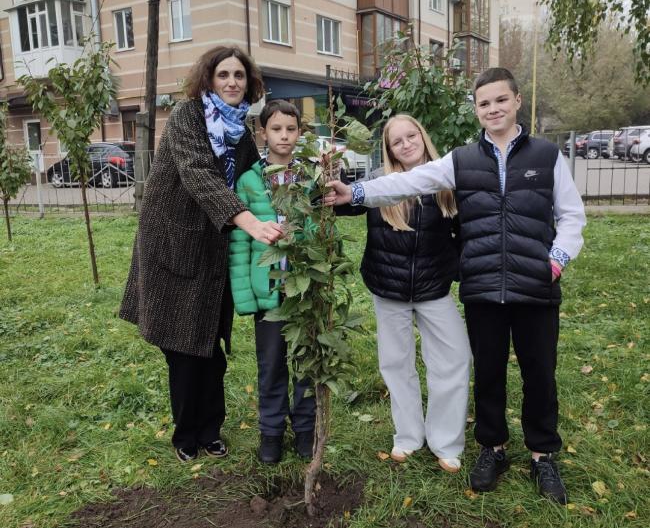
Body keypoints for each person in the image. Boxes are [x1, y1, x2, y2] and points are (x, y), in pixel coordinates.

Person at [326, 68, 586, 504]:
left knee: (539, 372)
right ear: (477, 109)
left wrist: (556, 260)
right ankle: (493, 448)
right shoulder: (461, 160)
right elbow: (408, 182)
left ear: (517, 101)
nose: (493, 109)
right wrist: (354, 195)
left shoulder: (545, 156)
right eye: (484, 103)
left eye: (500, 100)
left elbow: (572, 215)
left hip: (534, 285)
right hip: (484, 287)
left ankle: (543, 455)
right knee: (487, 372)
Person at [119, 45, 284, 463]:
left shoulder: (240, 131)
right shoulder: (187, 118)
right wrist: (248, 221)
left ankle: (211, 429)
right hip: (174, 245)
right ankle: (185, 435)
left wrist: (298, 176)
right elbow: (197, 173)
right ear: (208, 79)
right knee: (183, 348)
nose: (232, 82)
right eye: (223, 74)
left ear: (249, 83)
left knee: (212, 344)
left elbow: (254, 177)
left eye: (239, 76)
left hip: (214, 248)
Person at [357, 114, 471, 473]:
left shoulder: (445, 181)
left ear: (422, 136)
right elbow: (343, 200)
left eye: (412, 136)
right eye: (397, 141)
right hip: (388, 288)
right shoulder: (379, 184)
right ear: (389, 150)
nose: (406, 144)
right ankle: (407, 436)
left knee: (454, 358)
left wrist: (455, 269)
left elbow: (465, 232)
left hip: (433, 288)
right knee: (396, 362)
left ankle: (446, 441)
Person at [228, 100, 315, 464]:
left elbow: (322, 232)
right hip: (268, 292)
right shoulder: (249, 180)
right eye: (276, 129)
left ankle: (307, 430)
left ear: (299, 133)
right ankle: (272, 433)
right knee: (271, 363)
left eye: (291, 129)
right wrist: (246, 297)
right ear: (263, 133)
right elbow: (239, 244)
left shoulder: (310, 178)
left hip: (305, 288)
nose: (284, 136)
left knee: (307, 362)